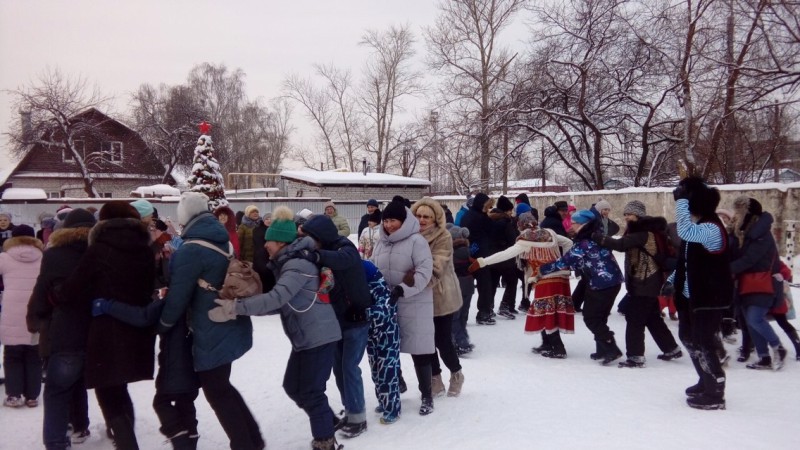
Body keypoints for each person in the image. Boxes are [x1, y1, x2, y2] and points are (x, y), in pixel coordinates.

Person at [207, 206, 342, 450]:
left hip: (319, 336)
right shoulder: (288, 263)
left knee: (311, 392)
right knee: (293, 386)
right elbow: (282, 304)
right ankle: (328, 421)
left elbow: (276, 298)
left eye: (268, 242)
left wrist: (235, 307)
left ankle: (326, 441)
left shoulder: (297, 265)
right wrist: (247, 309)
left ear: (279, 242)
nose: (265, 246)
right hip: (306, 337)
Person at [158, 192, 264, 449]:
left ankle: (245, 444)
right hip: (227, 319)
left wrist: (162, 324)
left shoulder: (191, 249)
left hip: (210, 328)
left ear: (185, 217)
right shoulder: (221, 239)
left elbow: (178, 298)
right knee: (221, 386)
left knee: (216, 391)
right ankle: (253, 439)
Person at [59, 202, 157, 449]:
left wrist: (56, 292)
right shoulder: (146, 249)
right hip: (136, 325)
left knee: (107, 387)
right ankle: (124, 437)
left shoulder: (98, 250)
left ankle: (126, 443)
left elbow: (73, 288)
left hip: (106, 327)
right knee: (119, 384)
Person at [27, 209, 97, 449]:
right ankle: (88, 426)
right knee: (111, 391)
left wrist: (38, 317)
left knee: (57, 390)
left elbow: (42, 291)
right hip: (101, 331)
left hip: (66, 331)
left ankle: (57, 442)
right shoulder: (102, 252)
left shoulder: (54, 255)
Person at [661, 176, 732, 410]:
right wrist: (672, 280)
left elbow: (685, 231)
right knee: (689, 339)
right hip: (690, 297)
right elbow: (686, 261)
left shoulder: (711, 228)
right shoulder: (700, 227)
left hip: (708, 298)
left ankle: (716, 392)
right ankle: (705, 380)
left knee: (704, 343)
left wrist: (681, 201)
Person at [301, 213, 372, 439]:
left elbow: (344, 260)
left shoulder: (345, 247)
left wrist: (316, 255)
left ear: (320, 236)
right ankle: (351, 407)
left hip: (356, 318)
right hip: (337, 319)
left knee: (349, 367)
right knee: (338, 367)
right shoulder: (326, 251)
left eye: (311, 238)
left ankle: (358, 416)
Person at [471, 212, 574, 358]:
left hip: (546, 278)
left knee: (546, 311)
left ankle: (558, 348)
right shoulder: (549, 233)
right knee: (549, 310)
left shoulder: (525, 240)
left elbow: (505, 254)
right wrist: (564, 263)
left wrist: (482, 261)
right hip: (560, 278)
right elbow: (568, 243)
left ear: (520, 225)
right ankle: (547, 343)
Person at [592, 201, 681, 368]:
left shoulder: (643, 232)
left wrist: (597, 237)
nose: (626, 217)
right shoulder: (642, 230)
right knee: (652, 317)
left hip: (645, 281)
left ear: (638, 215)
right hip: (646, 281)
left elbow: (620, 245)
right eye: (625, 214)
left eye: (629, 214)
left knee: (634, 319)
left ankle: (635, 356)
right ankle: (671, 348)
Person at [371, 199, 435, 416]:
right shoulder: (381, 242)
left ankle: (427, 395)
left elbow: (424, 272)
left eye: (393, 220)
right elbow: (372, 268)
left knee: (419, 352)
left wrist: (401, 289)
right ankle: (396, 384)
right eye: (386, 220)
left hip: (414, 302)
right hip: (388, 304)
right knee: (389, 348)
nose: (389, 225)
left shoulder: (417, 241)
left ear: (404, 220)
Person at [539, 210, 624, 365]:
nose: (571, 226)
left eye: (574, 223)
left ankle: (611, 348)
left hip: (601, 283)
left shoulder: (585, 242)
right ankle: (602, 350)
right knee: (600, 317)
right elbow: (582, 261)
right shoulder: (596, 236)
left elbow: (566, 260)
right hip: (613, 281)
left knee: (591, 317)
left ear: (583, 223)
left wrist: (542, 269)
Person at [411, 197, 465, 398]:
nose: (422, 220)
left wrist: (411, 280)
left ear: (435, 219)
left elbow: (437, 266)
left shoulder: (443, 236)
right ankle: (435, 377)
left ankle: (456, 372)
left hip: (441, 295)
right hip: (417, 296)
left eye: (427, 217)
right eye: (418, 215)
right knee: (425, 341)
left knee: (442, 340)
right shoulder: (409, 236)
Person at [729, 196, 786, 370]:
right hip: (746, 283)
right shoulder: (744, 233)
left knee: (755, 319)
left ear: (748, 213)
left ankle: (778, 347)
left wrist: (725, 269)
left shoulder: (761, 234)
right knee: (750, 320)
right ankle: (764, 357)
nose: (736, 214)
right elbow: (736, 254)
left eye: (740, 211)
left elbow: (750, 259)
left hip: (762, 282)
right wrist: (731, 233)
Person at [0, 225, 44, 408]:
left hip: (11, 310)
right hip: (36, 311)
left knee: (12, 355)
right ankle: (32, 396)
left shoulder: (4, 258)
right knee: (34, 354)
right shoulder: (44, 257)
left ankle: (14, 395)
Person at [361, 260, 401, 424]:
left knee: (388, 372)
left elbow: (384, 310)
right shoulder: (366, 287)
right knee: (376, 371)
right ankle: (383, 401)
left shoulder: (381, 289)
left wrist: (363, 313)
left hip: (388, 336)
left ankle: (392, 409)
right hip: (372, 336)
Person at [460, 193, 497, 325]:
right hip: (480, 256)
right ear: (483, 205)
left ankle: (461, 317)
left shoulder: (468, 215)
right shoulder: (480, 217)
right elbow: (488, 233)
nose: (489, 208)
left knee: (466, 288)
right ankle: (483, 313)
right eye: (487, 205)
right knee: (484, 285)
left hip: (467, 255)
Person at [488, 195, 520, 319]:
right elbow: (513, 240)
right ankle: (505, 306)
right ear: (506, 210)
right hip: (505, 256)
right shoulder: (506, 222)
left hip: (492, 256)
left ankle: (488, 307)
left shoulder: (490, 219)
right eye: (510, 210)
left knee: (493, 282)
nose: (511, 213)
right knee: (512, 281)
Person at [447, 224, 474, 356]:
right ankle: (463, 340)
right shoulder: (468, 251)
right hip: (468, 286)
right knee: (463, 315)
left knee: (454, 317)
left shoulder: (451, 253)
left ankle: (460, 342)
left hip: (455, 286)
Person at [252, 212, 277, 294]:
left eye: (270, 219)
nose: (269, 220)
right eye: (267, 219)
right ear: (263, 220)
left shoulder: (275, 231)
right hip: (260, 258)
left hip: (271, 258)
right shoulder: (257, 230)